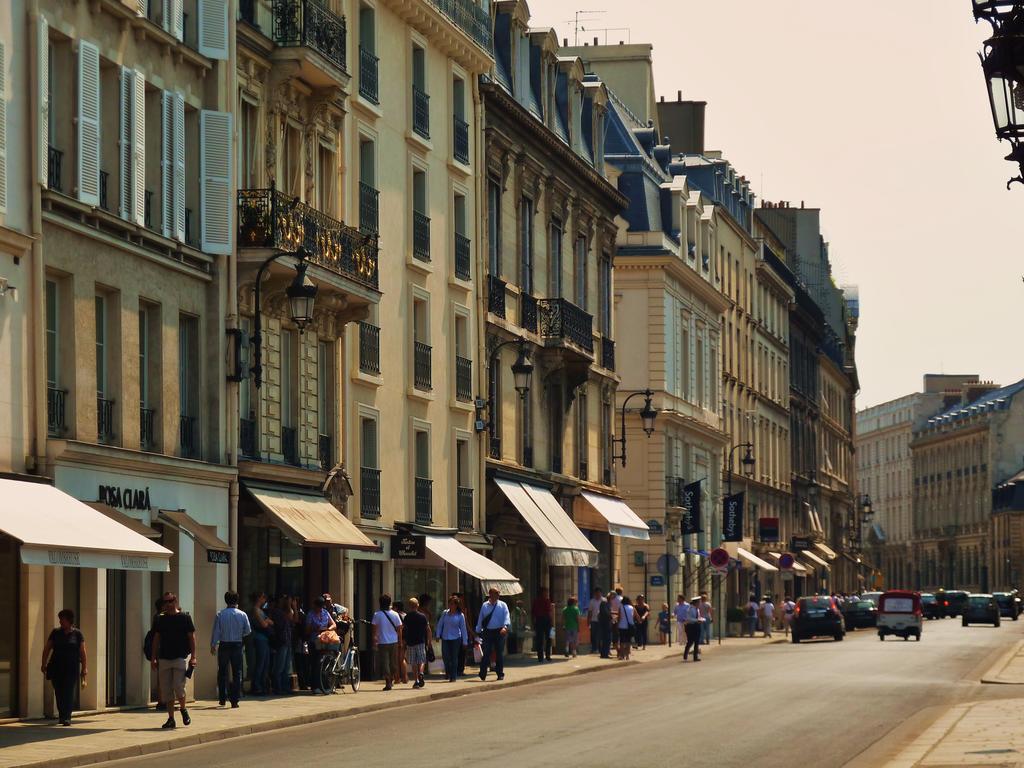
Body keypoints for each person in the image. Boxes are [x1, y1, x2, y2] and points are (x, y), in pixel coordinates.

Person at [150, 592, 196, 729]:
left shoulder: (185, 618)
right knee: (166, 690)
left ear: (175, 601)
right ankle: (171, 718)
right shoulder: (160, 619)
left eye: (170, 601)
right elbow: (156, 639)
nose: (168, 604)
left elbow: (191, 637)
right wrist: (153, 658)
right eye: (165, 602)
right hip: (164, 658)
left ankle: (183, 709)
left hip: (179, 657)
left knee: (178, 686)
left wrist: (193, 656)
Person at [41, 609, 87, 726]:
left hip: (71, 668)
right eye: (60, 619)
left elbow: (83, 652)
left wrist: (84, 668)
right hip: (56, 667)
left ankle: (67, 717)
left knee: (68, 691)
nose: (60, 621)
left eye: (62, 619)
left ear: (69, 620)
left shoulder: (77, 634)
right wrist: (43, 663)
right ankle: (62, 715)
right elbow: (47, 648)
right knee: (59, 692)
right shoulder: (55, 632)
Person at [210, 591, 251, 707]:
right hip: (237, 644)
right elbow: (247, 630)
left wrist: (213, 645)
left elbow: (216, 631)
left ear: (225, 600)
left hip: (224, 644)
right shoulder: (242, 614)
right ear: (237, 600)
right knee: (237, 672)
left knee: (222, 671)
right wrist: (240, 634)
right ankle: (235, 700)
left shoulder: (220, 614)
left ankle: (222, 698)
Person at [475, 588, 510, 681]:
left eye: (498, 593)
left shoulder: (503, 605)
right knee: (487, 652)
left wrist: (505, 627)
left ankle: (500, 673)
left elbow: (507, 616)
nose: (498, 595)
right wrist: (478, 630)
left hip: (499, 631)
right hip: (488, 632)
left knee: (499, 653)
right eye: (496, 593)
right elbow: (481, 618)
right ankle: (482, 673)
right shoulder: (485, 605)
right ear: (490, 594)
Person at [305, 596, 336, 694]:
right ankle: (315, 686)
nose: (319, 609)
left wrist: (328, 629)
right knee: (315, 664)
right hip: (314, 641)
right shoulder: (310, 614)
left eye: (321, 607)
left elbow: (334, 624)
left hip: (325, 641)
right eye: (318, 607)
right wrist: (315, 628)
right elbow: (307, 629)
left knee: (325, 664)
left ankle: (326, 685)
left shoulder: (325, 613)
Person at [371, 594, 402, 691]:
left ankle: (389, 679)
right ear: (390, 603)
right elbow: (399, 629)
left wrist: (374, 640)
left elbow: (374, 629)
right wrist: (400, 641)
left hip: (383, 642)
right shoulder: (395, 614)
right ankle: (389, 679)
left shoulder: (377, 615)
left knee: (386, 663)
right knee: (392, 663)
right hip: (393, 642)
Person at [435, 596, 469, 682]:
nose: (451, 605)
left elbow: (463, 629)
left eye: (452, 604)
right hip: (445, 637)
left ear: (456, 605)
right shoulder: (445, 613)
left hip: (456, 638)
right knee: (446, 657)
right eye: (449, 603)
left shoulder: (460, 615)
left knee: (454, 658)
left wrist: (465, 641)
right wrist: (438, 635)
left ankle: (453, 676)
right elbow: (440, 624)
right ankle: (448, 671)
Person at [267, 594, 293, 695]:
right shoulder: (277, 612)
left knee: (286, 667)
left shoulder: (283, 611)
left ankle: (285, 687)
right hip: (281, 641)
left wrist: (290, 606)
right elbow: (282, 623)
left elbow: (291, 618)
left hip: (287, 641)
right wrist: (289, 605)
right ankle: (277, 688)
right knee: (279, 666)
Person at [249, 592, 272, 695]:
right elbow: (264, 624)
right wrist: (266, 621)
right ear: (259, 598)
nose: (265, 600)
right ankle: (256, 686)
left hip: (264, 639)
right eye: (263, 597)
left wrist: (266, 621)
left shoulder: (261, 611)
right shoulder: (255, 610)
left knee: (265, 663)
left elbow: (271, 622)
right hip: (259, 639)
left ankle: (262, 685)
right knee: (260, 663)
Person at [403, 597, 429, 689]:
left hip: (410, 642)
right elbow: (428, 629)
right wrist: (429, 641)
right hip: (421, 641)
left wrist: (404, 641)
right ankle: (421, 672)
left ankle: (416, 680)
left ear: (409, 606)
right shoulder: (422, 616)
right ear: (417, 605)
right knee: (422, 660)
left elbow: (404, 630)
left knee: (413, 662)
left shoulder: (407, 617)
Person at [531, 587, 554, 663]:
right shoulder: (546, 601)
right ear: (542, 593)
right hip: (544, 620)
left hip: (540, 620)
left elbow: (533, 613)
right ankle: (544, 656)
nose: (547, 594)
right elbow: (549, 612)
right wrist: (551, 622)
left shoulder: (536, 601)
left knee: (543, 639)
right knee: (546, 639)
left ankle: (544, 656)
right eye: (546, 592)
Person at [392, 600, 408, 685]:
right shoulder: (406, 615)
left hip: (398, 639)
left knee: (397, 660)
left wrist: (399, 641)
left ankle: (397, 678)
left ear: (396, 608)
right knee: (402, 659)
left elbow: (399, 629)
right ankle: (405, 678)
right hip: (405, 640)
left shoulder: (396, 616)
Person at [683, 595, 704, 662]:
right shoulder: (690, 609)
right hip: (690, 626)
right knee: (690, 641)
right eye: (699, 602)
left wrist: (701, 619)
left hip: (696, 626)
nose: (700, 603)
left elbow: (698, 617)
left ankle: (695, 657)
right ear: (696, 602)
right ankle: (685, 654)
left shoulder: (697, 609)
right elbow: (689, 618)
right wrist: (697, 620)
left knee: (697, 641)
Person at [587, 588, 605, 654]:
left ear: (601, 593)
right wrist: (588, 622)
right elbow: (590, 612)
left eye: (599, 593)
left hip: (602, 621)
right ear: (595, 594)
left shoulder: (604, 600)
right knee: (593, 635)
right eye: (596, 593)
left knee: (601, 635)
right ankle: (594, 648)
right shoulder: (592, 601)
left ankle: (600, 649)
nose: (598, 594)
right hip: (594, 620)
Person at [617, 596, 635, 660]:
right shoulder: (632, 608)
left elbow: (619, 617)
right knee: (628, 641)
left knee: (622, 641)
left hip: (622, 626)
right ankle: (627, 656)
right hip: (630, 626)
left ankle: (622, 655)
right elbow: (633, 617)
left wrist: (617, 624)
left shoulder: (621, 608)